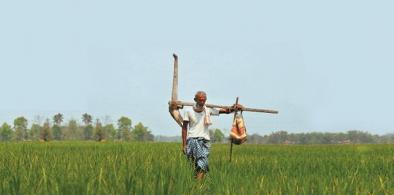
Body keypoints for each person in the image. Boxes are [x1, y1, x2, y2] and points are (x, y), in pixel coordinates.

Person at [182, 91, 242, 180]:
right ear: (195, 100)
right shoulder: (188, 111)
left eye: (204, 100)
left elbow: (225, 111)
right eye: (200, 100)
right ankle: (195, 184)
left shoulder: (208, 110)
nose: (202, 102)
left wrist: (234, 108)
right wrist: (184, 145)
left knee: (203, 164)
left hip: (205, 141)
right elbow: (184, 128)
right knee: (194, 165)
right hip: (192, 140)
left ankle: (199, 186)